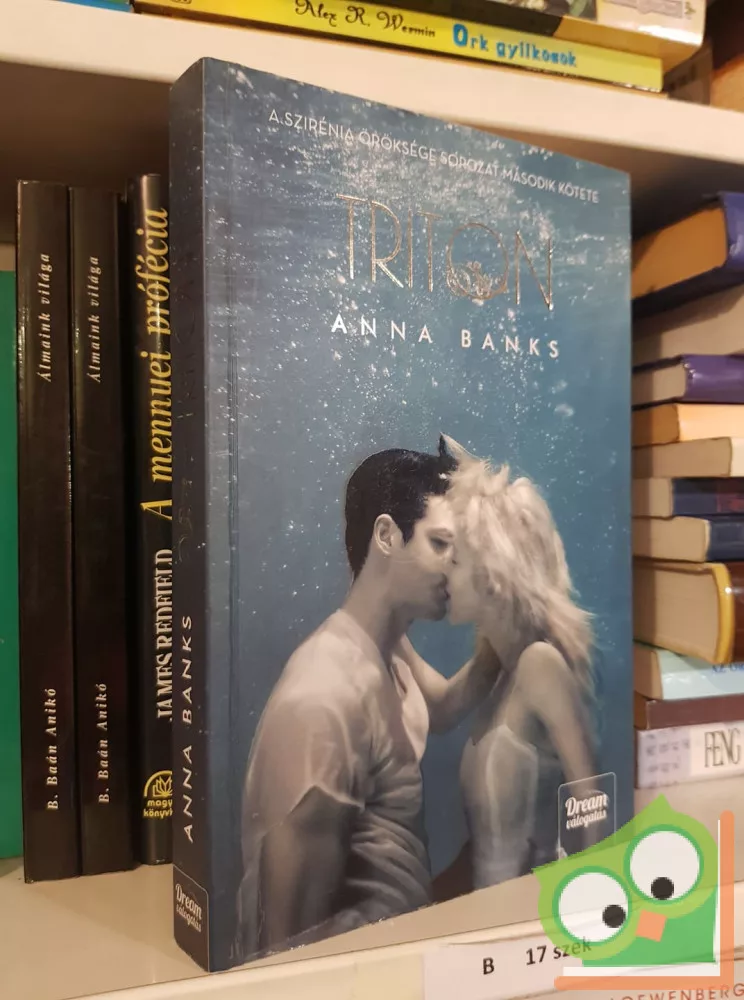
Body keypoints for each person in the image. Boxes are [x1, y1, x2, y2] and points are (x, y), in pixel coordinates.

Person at [236, 444, 493, 960]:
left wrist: (506, 635)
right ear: (386, 535)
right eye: (441, 544)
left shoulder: (387, 645)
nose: (457, 567)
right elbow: (289, 947)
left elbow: (440, 708)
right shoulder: (325, 699)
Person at [441, 436, 597, 890]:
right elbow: (439, 711)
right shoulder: (496, 669)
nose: (443, 571)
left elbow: (592, 805)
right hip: (489, 915)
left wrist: (589, 911)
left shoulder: (539, 665)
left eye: (455, 560)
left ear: (491, 572)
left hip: (531, 918)